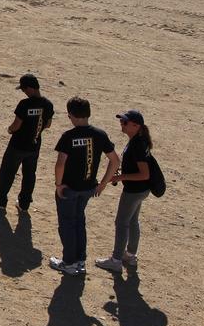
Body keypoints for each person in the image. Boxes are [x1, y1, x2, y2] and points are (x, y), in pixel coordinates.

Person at [49, 97, 119, 276]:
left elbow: (60, 163)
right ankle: (80, 260)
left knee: (67, 224)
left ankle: (69, 263)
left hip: (69, 188)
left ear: (71, 115)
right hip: (88, 188)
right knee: (79, 222)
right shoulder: (99, 134)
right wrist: (103, 183)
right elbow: (115, 161)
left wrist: (58, 184)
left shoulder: (68, 136)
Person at [0, 74, 55, 213]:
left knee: (7, 172)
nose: (24, 92)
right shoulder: (47, 104)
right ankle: (24, 204)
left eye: (24, 89)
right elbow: (48, 125)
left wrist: (10, 130)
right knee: (29, 175)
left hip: (18, 144)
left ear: (30, 88)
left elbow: (17, 124)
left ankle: (0, 200)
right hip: (34, 145)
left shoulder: (25, 104)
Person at [95, 110, 153, 273]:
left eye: (125, 122)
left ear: (136, 126)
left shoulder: (137, 144)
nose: (122, 124)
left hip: (134, 191)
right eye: (122, 121)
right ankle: (130, 255)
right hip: (141, 190)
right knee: (133, 221)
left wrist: (120, 178)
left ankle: (116, 260)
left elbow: (144, 174)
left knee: (121, 223)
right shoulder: (139, 140)